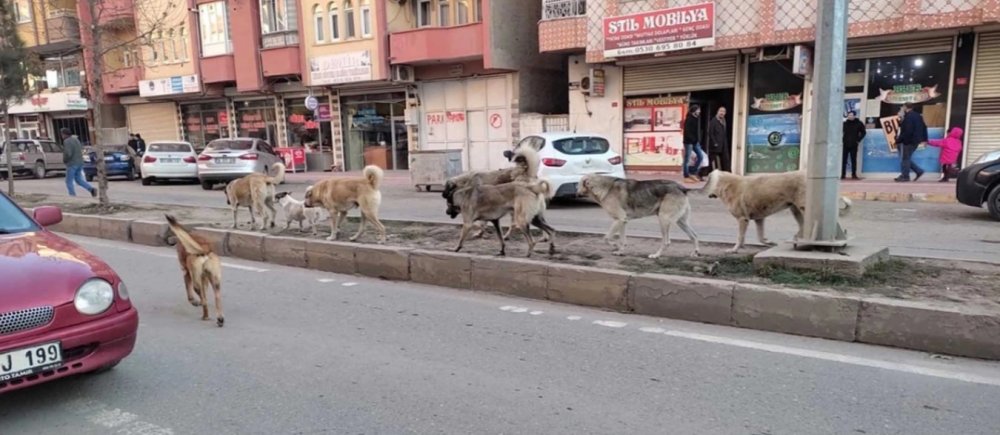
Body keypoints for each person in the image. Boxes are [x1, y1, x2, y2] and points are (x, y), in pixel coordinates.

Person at [895, 103, 928, 182]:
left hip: (908, 141)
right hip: (915, 141)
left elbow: (907, 130)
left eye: (902, 107)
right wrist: (924, 139)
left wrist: (900, 140)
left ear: (906, 107)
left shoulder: (908, 117)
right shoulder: (918, 116)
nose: (901, 109)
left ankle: (905, 176)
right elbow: (924, 127)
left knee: (905, 159)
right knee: (906, 158)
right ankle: (918, 171)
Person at [61, 128, 96, 198]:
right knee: (78, 179)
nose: (62, 136)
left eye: (62, 134)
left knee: (69, 181)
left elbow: (68, 153)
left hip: (72, 163)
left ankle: (72, 195)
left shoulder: (67, 141)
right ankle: (91, 189)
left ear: (64, 134)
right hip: (80, 162)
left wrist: (65, 160)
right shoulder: (76, 140)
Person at [842, 111, 866, 180]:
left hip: (854, 144)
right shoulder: (845, 124)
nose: (850, 116)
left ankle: (854, 174)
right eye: (849, 115)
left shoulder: (859, 123)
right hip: (845, 144)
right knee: (844, 160)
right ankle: (843, 174)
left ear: (855, 116)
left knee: (853, 160)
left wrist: (858, 140)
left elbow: (863, 132)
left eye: (851, 115)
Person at [682, 104, 704, 183]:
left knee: (701, 156)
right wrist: (693, 139)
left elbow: (696, 131)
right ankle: (686, 176)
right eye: (698, 110)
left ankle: (692, 172)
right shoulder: (689, 119)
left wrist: (698, 139)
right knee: (687, 159)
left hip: (695, 142)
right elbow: (687, 132)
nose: (699, 111)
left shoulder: (696, 119)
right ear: (694, 111)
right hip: (689, 142)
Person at [707, 106, 730, 172]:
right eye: (721, 111)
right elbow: (710, 133)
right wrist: (714, 142)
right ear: (718, 112)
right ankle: (703, 173)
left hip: (723, 144)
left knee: (725, 159)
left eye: (724, 112)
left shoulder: (724, 121)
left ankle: (727, 172)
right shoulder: (713, 121)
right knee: (711, 159)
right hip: (715, 145)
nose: (722, 113)